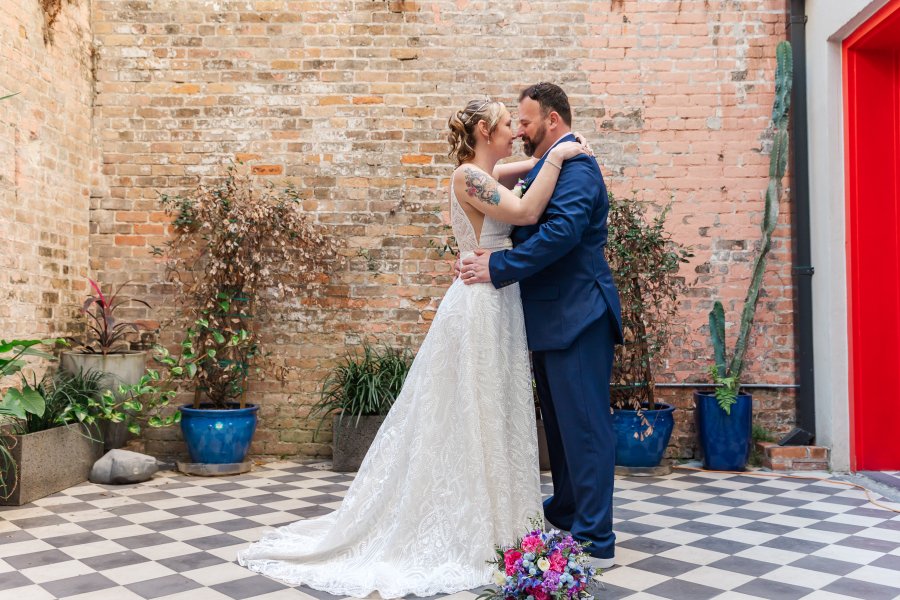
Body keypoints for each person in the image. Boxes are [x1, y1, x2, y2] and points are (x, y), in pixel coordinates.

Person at [237, 98, 588, 598]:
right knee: (474, 409)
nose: (516, 132)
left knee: (495, 407)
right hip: (481, 305)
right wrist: (563, 155)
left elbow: (528, 165)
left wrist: (556, 149)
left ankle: (499, 515)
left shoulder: (486, 169)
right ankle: (473, 523)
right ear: (486, 130)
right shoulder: (470, 177)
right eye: (509, 125)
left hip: (499, 300)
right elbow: (528, 209)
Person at [460, 82, 623, 570]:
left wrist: (498, 268)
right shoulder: (552, 162)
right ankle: (569, 510)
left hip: (578, 315)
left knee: (586, 429)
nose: (520, 130)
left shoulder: (577, 167)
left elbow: (560, 233)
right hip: (551, 317)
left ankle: (595, 538)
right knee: (562, 427)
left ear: (552, 120)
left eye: (526, 121)